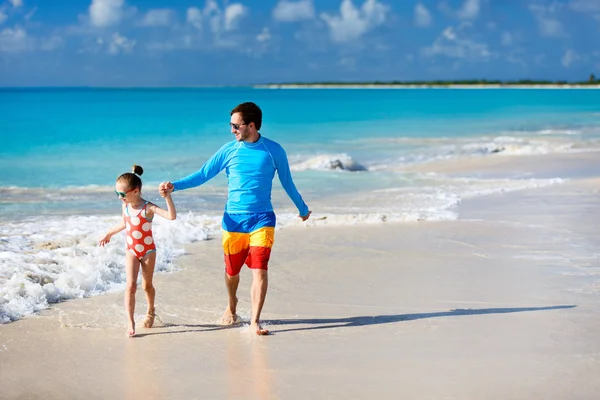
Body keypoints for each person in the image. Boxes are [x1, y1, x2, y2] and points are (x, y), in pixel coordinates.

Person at [159, 102, 311, 335]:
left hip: (263, 219)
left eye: (235, 125)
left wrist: (302, 208)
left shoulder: (274, 150)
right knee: (232, 272)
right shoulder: (229, 150)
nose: (232, 130)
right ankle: (232, 306)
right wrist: (174, 186)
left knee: (260, 269)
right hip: (233, 220)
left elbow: (287, 182)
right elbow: (203, 175)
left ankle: (255, 321)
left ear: (251, 125)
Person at [99, 165, 176, 337]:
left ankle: (150, 311)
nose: (119, 198)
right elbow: (124, 223)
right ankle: (130, 321)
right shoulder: (125, 206)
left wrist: (168, 198)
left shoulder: (148, 207)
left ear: (135, 191)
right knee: (130, 286)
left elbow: (171, 216)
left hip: (148, 251)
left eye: (122, 194)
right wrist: (109, 233)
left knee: (147, 286)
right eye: (117, 194)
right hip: (131, 250)